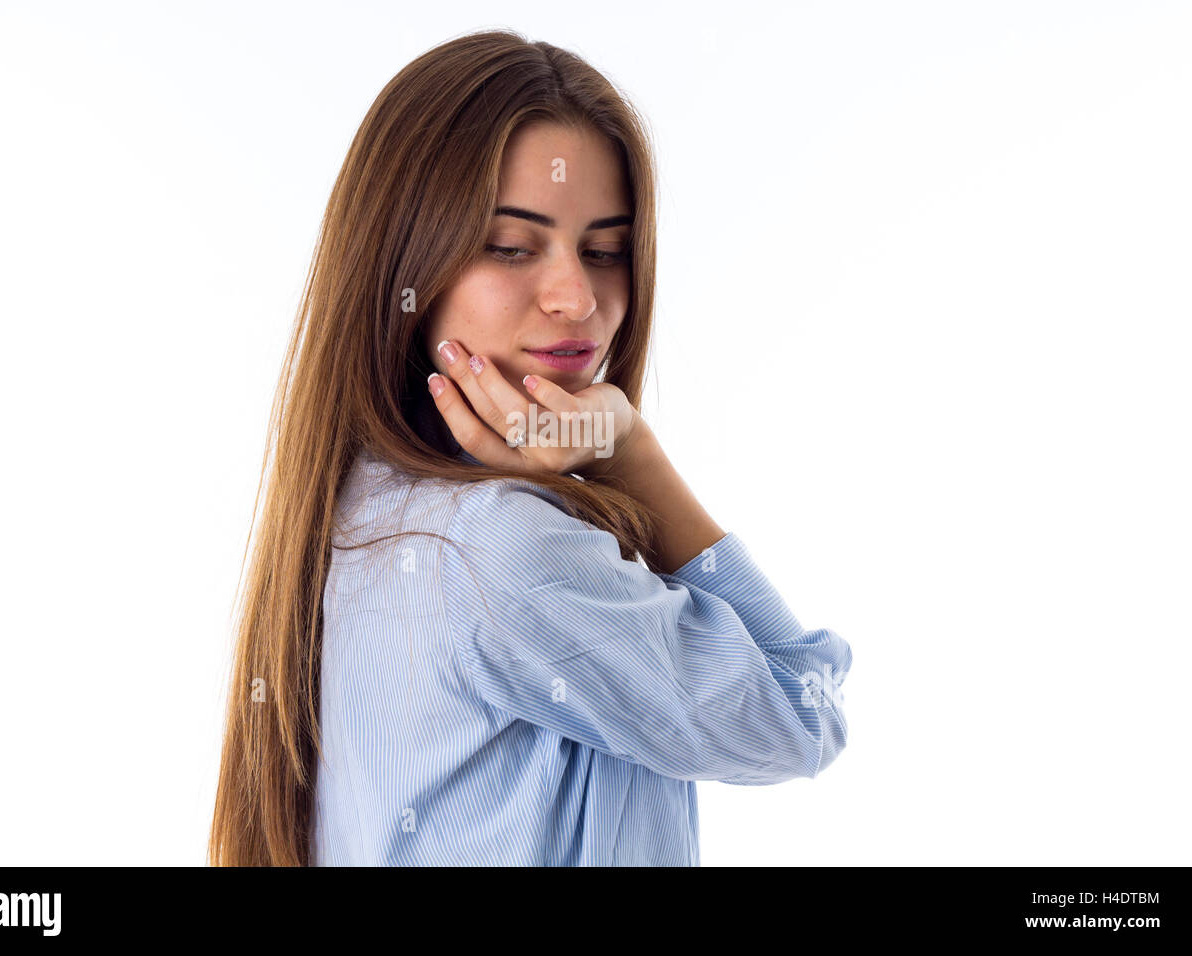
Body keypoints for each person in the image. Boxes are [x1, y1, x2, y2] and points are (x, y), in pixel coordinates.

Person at [209, 29, 852, 867]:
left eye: (607, 250)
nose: (577, 297)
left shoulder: (358, 511)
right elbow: (803, 713)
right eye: (511, 246)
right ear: (404, 266)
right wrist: (630, 457)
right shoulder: (505, 550)